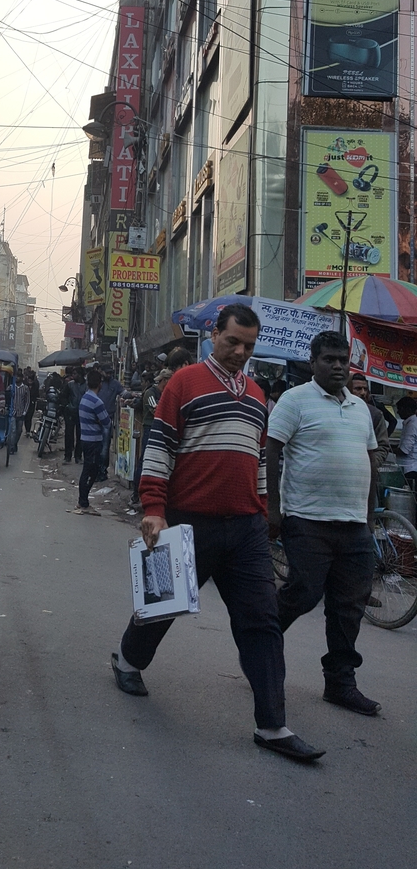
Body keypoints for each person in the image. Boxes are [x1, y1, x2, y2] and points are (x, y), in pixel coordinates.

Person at [111, 303, 323, 763]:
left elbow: (259, 463)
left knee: (262, 623)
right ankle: (127, 661)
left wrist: (264, 512)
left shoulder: (256, 394)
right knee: (163, 605)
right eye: (233, 342)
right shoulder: (183, 383)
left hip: (245, 528)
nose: (240, 352)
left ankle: (272, 725)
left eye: (248, 345)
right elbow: (160, 447)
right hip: (189, 521)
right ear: (213, 334)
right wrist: (153, 508)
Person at [267, 331, 380, 718]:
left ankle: (340, 682)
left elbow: (371, 461)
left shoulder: (360, 408)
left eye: (342, 360)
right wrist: (273, 510)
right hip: (307, 519)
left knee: (349, 606)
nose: (337, 366)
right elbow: (273, 453)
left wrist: (368, 516)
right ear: (312, 361)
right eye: (329, 359)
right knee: (303, 592)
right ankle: (260, 646)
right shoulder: (294, 401)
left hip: (353, 525)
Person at [73, 367, 112, 515]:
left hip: (85, 439)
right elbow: (107, 422)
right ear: (99, 383)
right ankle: (83, 502)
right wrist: (99, 420)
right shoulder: (97, 402)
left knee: (88, 470)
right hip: (94, 440)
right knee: (91, 471)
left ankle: (83, 501)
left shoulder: (85, 397)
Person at [131, 368, 171, 506]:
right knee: (144, 461)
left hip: (160, 429)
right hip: (150, 429)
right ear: (164, 380)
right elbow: (157, 411)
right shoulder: (150, 393)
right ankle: (136, 494)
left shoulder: (163, 393)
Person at [348, 373, 390, 467]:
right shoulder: (335, 409)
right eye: (358, 389)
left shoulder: (375, 414)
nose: (363, 393)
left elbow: (382, 446)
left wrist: (371, 465)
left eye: (365, 389)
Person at [97, 366, 124, 480]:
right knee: (96, 446)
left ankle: (103, 471)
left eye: (110, 373)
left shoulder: (115, 384)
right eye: (106, 372)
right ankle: (96, 470)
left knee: (104, 447)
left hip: (107, 419)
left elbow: (124, 393)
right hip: (95, 419)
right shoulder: (98, 383)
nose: (108, 375)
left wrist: (133, 396)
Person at [63, 367, 86, 463]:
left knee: (80, 436)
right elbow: (64, 397)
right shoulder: (70, 385)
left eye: (75, 373)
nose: (73, 376)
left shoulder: (87, 386)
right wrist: (67, 406)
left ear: (80, 375)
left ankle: (78, 456)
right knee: (69, 434)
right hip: (71, 412)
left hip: (82, 413)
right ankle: (67, 456)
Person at [395, 396, 417, 488]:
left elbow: (404, 451)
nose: (398, 412)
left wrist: (387, 448)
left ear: (406, 409)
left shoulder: (412, 425)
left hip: (410, 470)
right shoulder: (409, 423)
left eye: (399, 409)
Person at [8, 369, 31, 454]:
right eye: (16, 376)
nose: (17, 378)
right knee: (13, 430)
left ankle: (15, 444)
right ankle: (11, 446)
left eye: (19, 376)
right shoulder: (11, 387)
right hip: (12, 412)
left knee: (19, 430)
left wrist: (25, 411)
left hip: (21, 413)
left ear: (22, 378)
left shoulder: (25, 388)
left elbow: (27, 401)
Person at [24, 369, 38, 438]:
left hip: (32, 403)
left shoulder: (35, 385)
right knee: (25, 417)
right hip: (24, 403)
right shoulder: (25, 385)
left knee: (29, 417)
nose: (30, 382)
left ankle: (28, 431)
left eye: (31, 381)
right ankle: (26, 429)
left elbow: (37, 394)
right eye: (29, 380)